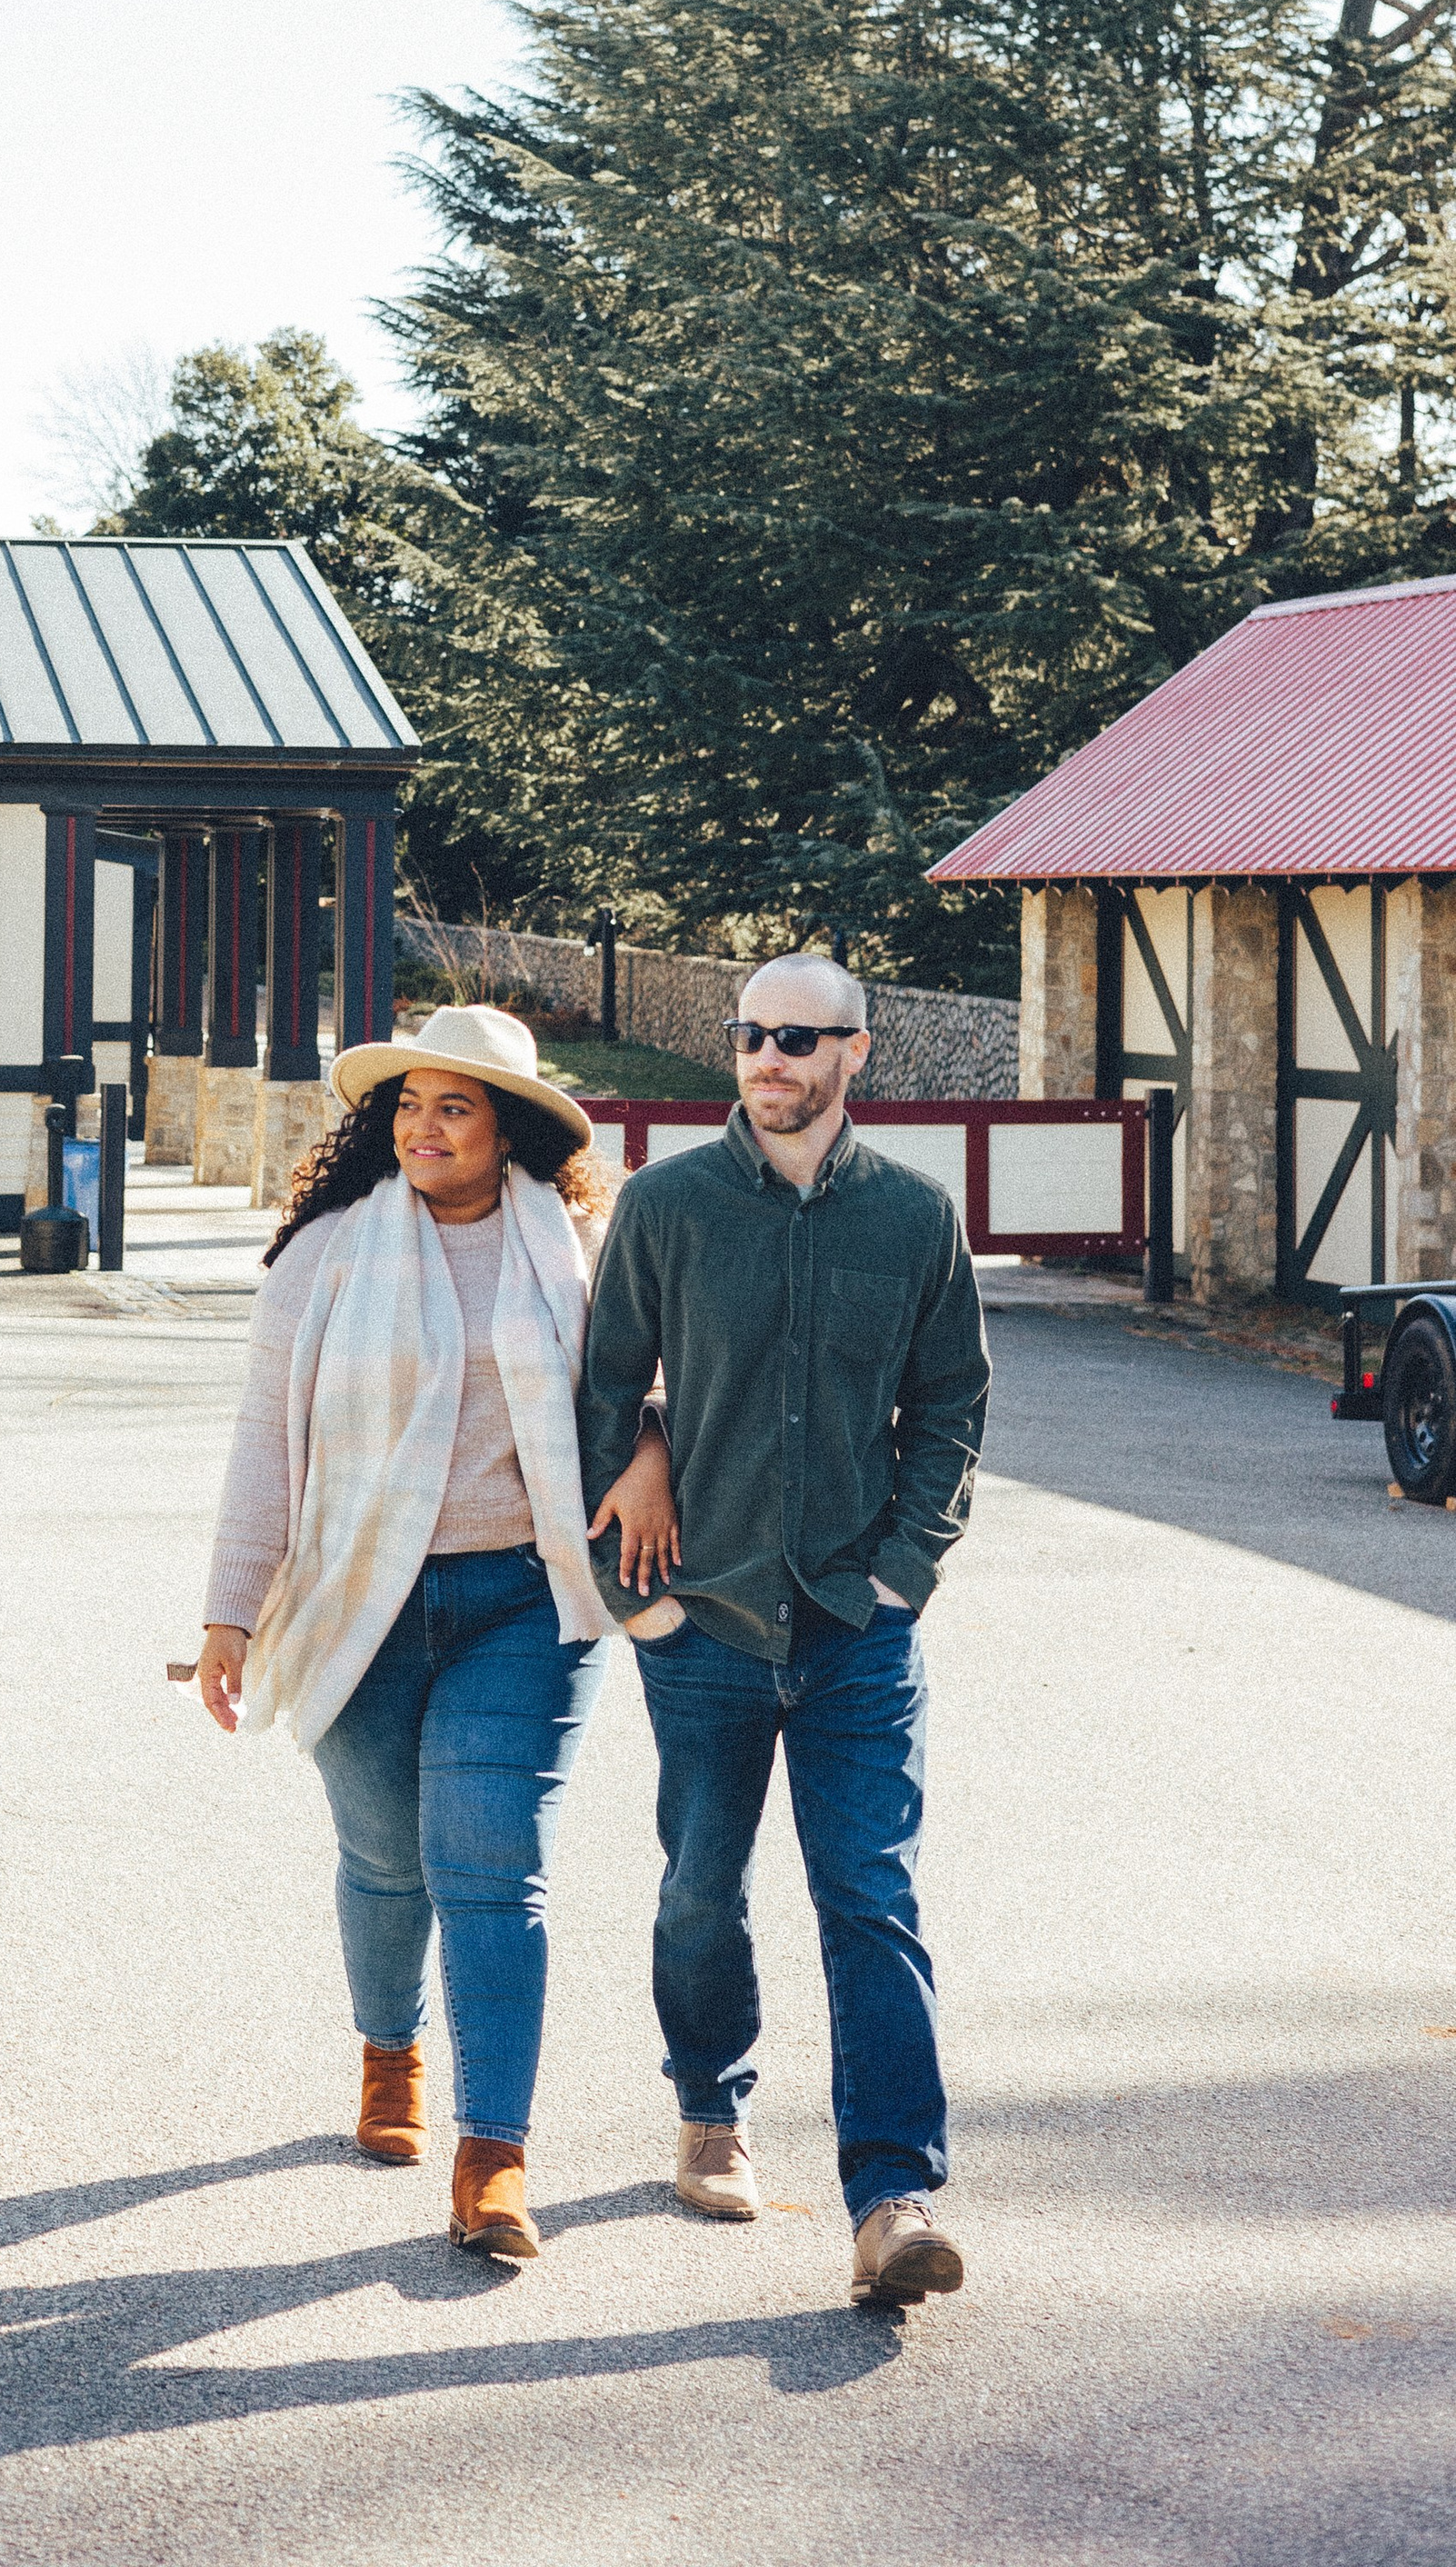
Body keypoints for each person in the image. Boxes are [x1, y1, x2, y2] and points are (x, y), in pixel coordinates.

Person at [580, 952, 989, 2311]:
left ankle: (892, 2197)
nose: (768, 1058)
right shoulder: (667, 1204)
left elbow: (950, 1410)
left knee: (870, 1895)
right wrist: (635, 1585)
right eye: (752, 1035)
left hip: (855, 1626)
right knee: (701, 1885)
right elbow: (597, 1388)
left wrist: (904, 1576)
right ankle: (709, 2108)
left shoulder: (917, 1222)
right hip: (704, 1620)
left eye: (799, 1038)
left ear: (856, 1054)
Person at [195, 1004, 620, 2263]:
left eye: (457, 1107)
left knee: (491, 1862)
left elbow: (648, 1384)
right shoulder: (325, 1253)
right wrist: (229, 1611)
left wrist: (648, 1460)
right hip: (355, 1600)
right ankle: (391, 2050)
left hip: (527, 1600)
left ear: (514, 1130)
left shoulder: (585, 1245)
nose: (425, 1129)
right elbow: (266, 1444)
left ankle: (494, 2157)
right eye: (410, 1105)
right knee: (386, 1858)